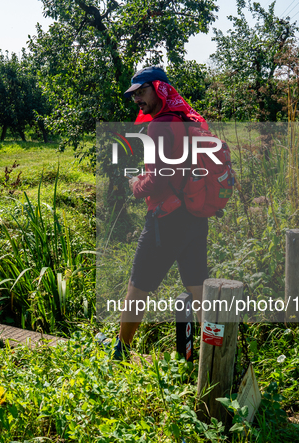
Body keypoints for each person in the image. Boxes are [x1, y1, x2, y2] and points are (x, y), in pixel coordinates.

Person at [104, 66, 210, 360]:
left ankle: (121, 351)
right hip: (195, 215)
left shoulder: (160, 125)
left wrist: (136, 185)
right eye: (134, 93)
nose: (137, 98)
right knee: (198, 287)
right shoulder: (188, 119)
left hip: (167, 219)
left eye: (142, 91)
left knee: (138, 285)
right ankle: (214, 355)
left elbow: (159, 178)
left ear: (159, 88)